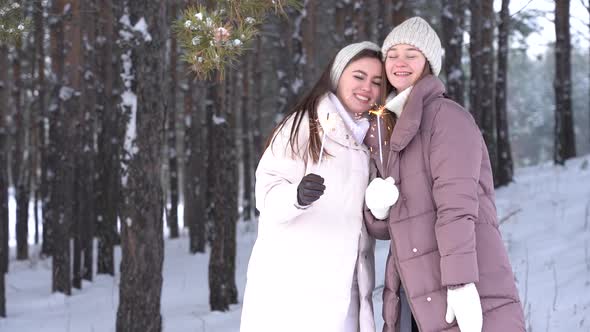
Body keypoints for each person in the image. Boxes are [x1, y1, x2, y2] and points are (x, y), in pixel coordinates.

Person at [363, 17, 526, 332]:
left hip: (455, 279)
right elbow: (389, 228)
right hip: (412, 284)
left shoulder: (447, 118)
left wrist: (461, 282)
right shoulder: (388, 128)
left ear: (428, 62)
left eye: (412, 53)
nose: (400, 62)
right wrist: (378, 210)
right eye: (392, 54)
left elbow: (457, 208)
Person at [240, 42, 384, 332]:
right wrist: (297, 196)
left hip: (346, 297)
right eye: (358, 76)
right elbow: (267, 196)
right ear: (337, 75)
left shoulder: (370, 141)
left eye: (376, 81)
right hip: (295, 297)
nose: (367, 87)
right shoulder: (304, 126)